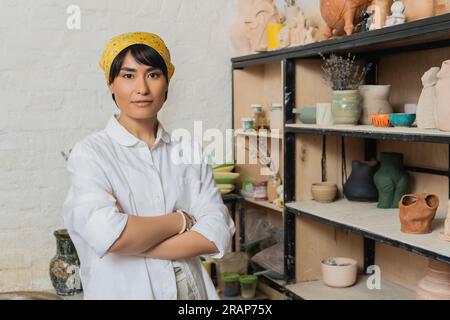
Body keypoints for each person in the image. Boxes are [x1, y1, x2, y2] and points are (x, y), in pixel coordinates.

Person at [62, 32, 236, 300]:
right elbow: (110, 236)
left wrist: (133, 240)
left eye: (153, 74)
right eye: (128, 75)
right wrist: (182, 220)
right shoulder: (91, 154)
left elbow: (216, 235)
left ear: (166, 83)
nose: (142, 88)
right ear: (111, 83)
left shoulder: (187, 152)